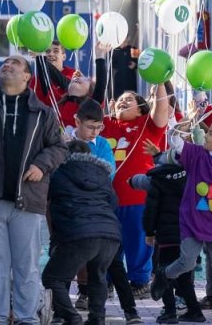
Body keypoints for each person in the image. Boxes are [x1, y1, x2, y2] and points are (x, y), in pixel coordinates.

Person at [0, 47, 68, 325]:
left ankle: (26, 317)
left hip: (27, 200)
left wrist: (40, 165)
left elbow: (59, 147)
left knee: (26, 266)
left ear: (27, 76)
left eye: (15, 63)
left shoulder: (43, 113)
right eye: (5, 63)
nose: (7, 65)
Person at [148, 92, 212, 325]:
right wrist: (184, 118)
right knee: (187, 261)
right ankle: (164, 274)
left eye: (211, 132)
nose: (206, 134)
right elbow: (174, 139)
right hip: (194, 220)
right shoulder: (195, 154)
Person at [69, 100, 143, 324]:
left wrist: (82, 170)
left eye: (99, 127)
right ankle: (61, 311)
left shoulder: (101, 143)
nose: (94, 133)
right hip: (73, 214)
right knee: (65, 262)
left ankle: (131, 311)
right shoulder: (64, 141)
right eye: (90, 127)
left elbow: (107, 173)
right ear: (77, 122)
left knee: (114, 264)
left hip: (101, 213)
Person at [101, 83, 173, 297]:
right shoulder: (105, 124)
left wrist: (159, 80)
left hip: (136, 198)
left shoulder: (147, 125)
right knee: (106, 243)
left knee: (138, 241)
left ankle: (139, 281)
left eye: (129, 99)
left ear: (142, 108)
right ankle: (105, 282)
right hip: (105, 199)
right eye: (120, 99)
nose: (123, 101)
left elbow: (160, 109)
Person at [43, 139, 121, 325]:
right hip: (110, 234)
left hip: (80, 233)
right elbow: (114, 202)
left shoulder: (58, 173)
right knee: (98, 277)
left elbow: (45, 201)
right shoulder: (103, 175)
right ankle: (97, 319)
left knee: (52, 278)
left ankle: (72, 317)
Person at [132, 150, 200, 323]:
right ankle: (194, 311)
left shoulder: (157, 180)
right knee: (184, 276)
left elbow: (150, 210)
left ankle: (169, 312)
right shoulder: (191, 177)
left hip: (166, 236)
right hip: (188, 233)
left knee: (164, 273)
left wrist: (149, 232)